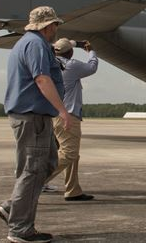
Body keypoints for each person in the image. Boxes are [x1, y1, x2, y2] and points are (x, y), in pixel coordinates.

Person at [0, 6, 71, 243]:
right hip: (33, 116)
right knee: (32, 170)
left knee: (48, 163)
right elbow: (41, 78)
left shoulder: (27, 43)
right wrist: (62, 109)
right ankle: (20, 229)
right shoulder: (36, 44)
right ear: (48, 26)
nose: (57, 30)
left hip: (35, 116)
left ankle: (13, 207)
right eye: (56, 26)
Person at [43, 38, 98, 201]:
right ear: (70, 52)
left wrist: (75, 44)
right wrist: (91, 51)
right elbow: (92, 67)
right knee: (69, 153)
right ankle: (35, 182)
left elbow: (59, 47)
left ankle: (73, 190)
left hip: (54, 114)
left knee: (73, 154)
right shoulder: (71, 65)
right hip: (69, 115)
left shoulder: (50, 62)